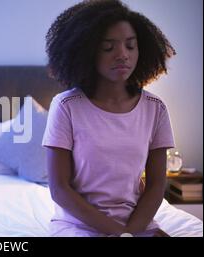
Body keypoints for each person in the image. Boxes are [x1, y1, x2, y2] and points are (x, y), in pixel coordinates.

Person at [42, 0, 176, 237]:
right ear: (87, 51)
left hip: (135, 224)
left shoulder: (155, 109)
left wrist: (129, 232)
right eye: (108, 47)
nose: (122, 55)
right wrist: (116, 231)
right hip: (79, 225)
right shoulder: (66, 107)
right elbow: (60, 189)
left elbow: (156, 186)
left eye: (130, 46)